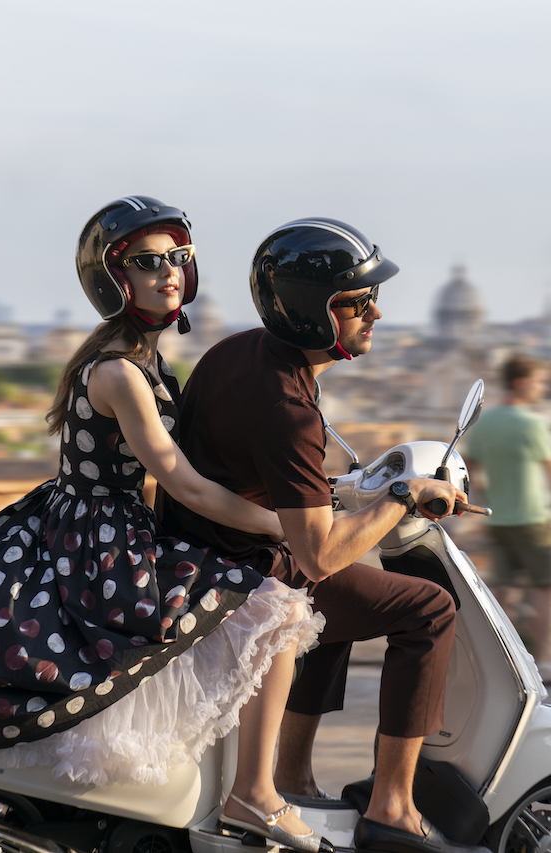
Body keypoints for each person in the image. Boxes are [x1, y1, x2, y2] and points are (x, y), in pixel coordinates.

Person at [0, 197, 327, 852]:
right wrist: (285, 525)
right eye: (147, 262)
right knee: (274, 607)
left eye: (178, 259)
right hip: (106, 544)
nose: (168, 272)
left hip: (89, 529)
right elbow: (185, 482)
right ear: (115, 279)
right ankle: (255, 793)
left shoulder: (134, 360)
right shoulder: (120, 372)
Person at [160, 218, 487, 853]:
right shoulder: (287, 402)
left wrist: (340, 492)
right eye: (358, 303)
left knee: (348, 596)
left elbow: (255, 475)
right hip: (238, 570)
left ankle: (293, 772)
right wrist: (402, 495)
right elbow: (316, 551)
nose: (377, 314)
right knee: (426, 609)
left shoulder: (238, 352)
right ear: (317, 313)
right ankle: (393, 806)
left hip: (198, 551)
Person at [463, 353, 551, 685]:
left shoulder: (483, 424)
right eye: (541, 382)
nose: (545, 388)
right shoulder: (534, 425)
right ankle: (544, 662)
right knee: (546, 588)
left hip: (497, 519)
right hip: (534, 518)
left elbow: (469, 470)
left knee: (502, 591)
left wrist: (483, 497)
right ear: (522, 383)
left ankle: (501, 662)